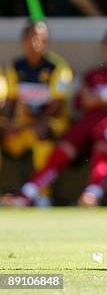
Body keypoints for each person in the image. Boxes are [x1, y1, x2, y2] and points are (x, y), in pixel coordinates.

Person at [2, 29, 107, 207]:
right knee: (65, 147)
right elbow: (80, 103)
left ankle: (92, 194)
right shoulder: (94, 75)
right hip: (88, 123)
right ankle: (28, 193)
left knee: (104, 144)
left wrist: (98, 99)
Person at [0, 22, 73, 206]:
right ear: (24, 41)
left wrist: (27, 125)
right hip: (22, 127)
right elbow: (10, 99)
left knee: (43, 135)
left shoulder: (58, 67)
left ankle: (42, 196)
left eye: (43, 38)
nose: (38, 42)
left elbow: (56, 105)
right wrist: (7, 123)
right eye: (34, 37)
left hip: (50, 124)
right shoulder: (15, 66)